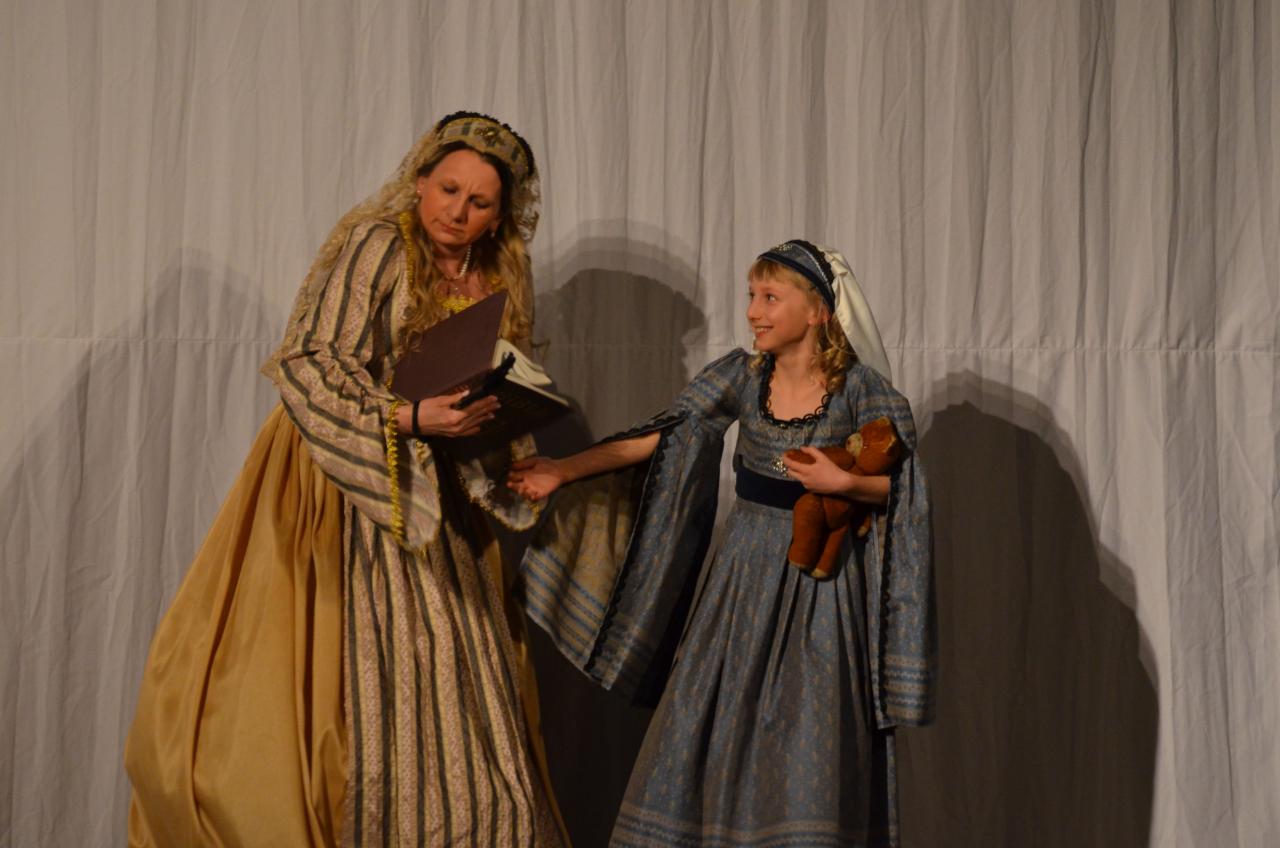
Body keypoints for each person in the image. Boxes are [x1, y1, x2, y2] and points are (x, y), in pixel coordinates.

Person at [125, 112, 565, 847]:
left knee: (460, 679)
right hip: (347, 482)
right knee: (341, 683)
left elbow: (476, 385)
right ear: (420, 181)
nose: (457, 211)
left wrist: (499, 440)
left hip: (437, 492)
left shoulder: (492, 278)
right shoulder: (381, 244)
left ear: (500, 217)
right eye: (448, 188)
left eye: (479, 201)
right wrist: (408, 417)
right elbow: (309, 358)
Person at [508, 240, 935, 847]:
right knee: (714, 715)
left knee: (810, 723)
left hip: (823, 590)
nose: (754, 311)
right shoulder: (743, 374)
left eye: (770, 298)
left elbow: (904, 482)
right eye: (751, 296)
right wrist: (564, 469)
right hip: (742, 579)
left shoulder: (858, 390)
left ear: (818, 310)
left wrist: (845, 483)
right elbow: (664, 435)